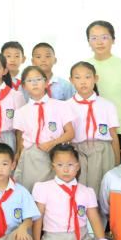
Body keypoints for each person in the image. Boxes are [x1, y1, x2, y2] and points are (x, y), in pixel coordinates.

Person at [32, 144, 118, 240]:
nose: (65, 169)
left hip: (82, 239)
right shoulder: (43, 188)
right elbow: (37, 219)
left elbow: (94, 219)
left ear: (77, 166)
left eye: (70, 165)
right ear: (53, 166)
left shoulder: (86, 191)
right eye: (60, 165)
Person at [13, 66, 74, 194]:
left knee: (54, 192)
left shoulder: (61, 106)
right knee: (31, 191)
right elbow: (20, 138)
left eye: (38, 79)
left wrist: (52, 143)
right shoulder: (21, 112)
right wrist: (19, 154)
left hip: (55, 154)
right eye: (30, 80)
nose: (34, 83)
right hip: (31, 157)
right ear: (24, 86)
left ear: (46, 83)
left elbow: (70, 133)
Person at [67, 61, 120, 198]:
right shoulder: (66, 106)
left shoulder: (107, 105)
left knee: (103, 188)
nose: (83, 82)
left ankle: (101, 212)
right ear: (71, 80)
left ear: (95, 78)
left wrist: (117, 163)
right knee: (80, 187)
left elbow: (113, 135)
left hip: (103, 150)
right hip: (77, 150)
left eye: (87, 77)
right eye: (77, 77)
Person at [86, 20, 121, 134]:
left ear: (113, 40)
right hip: (93, 130)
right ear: (89, 42)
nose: (99, 42)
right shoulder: (84, 67)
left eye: (104, 37)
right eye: (94, 38)